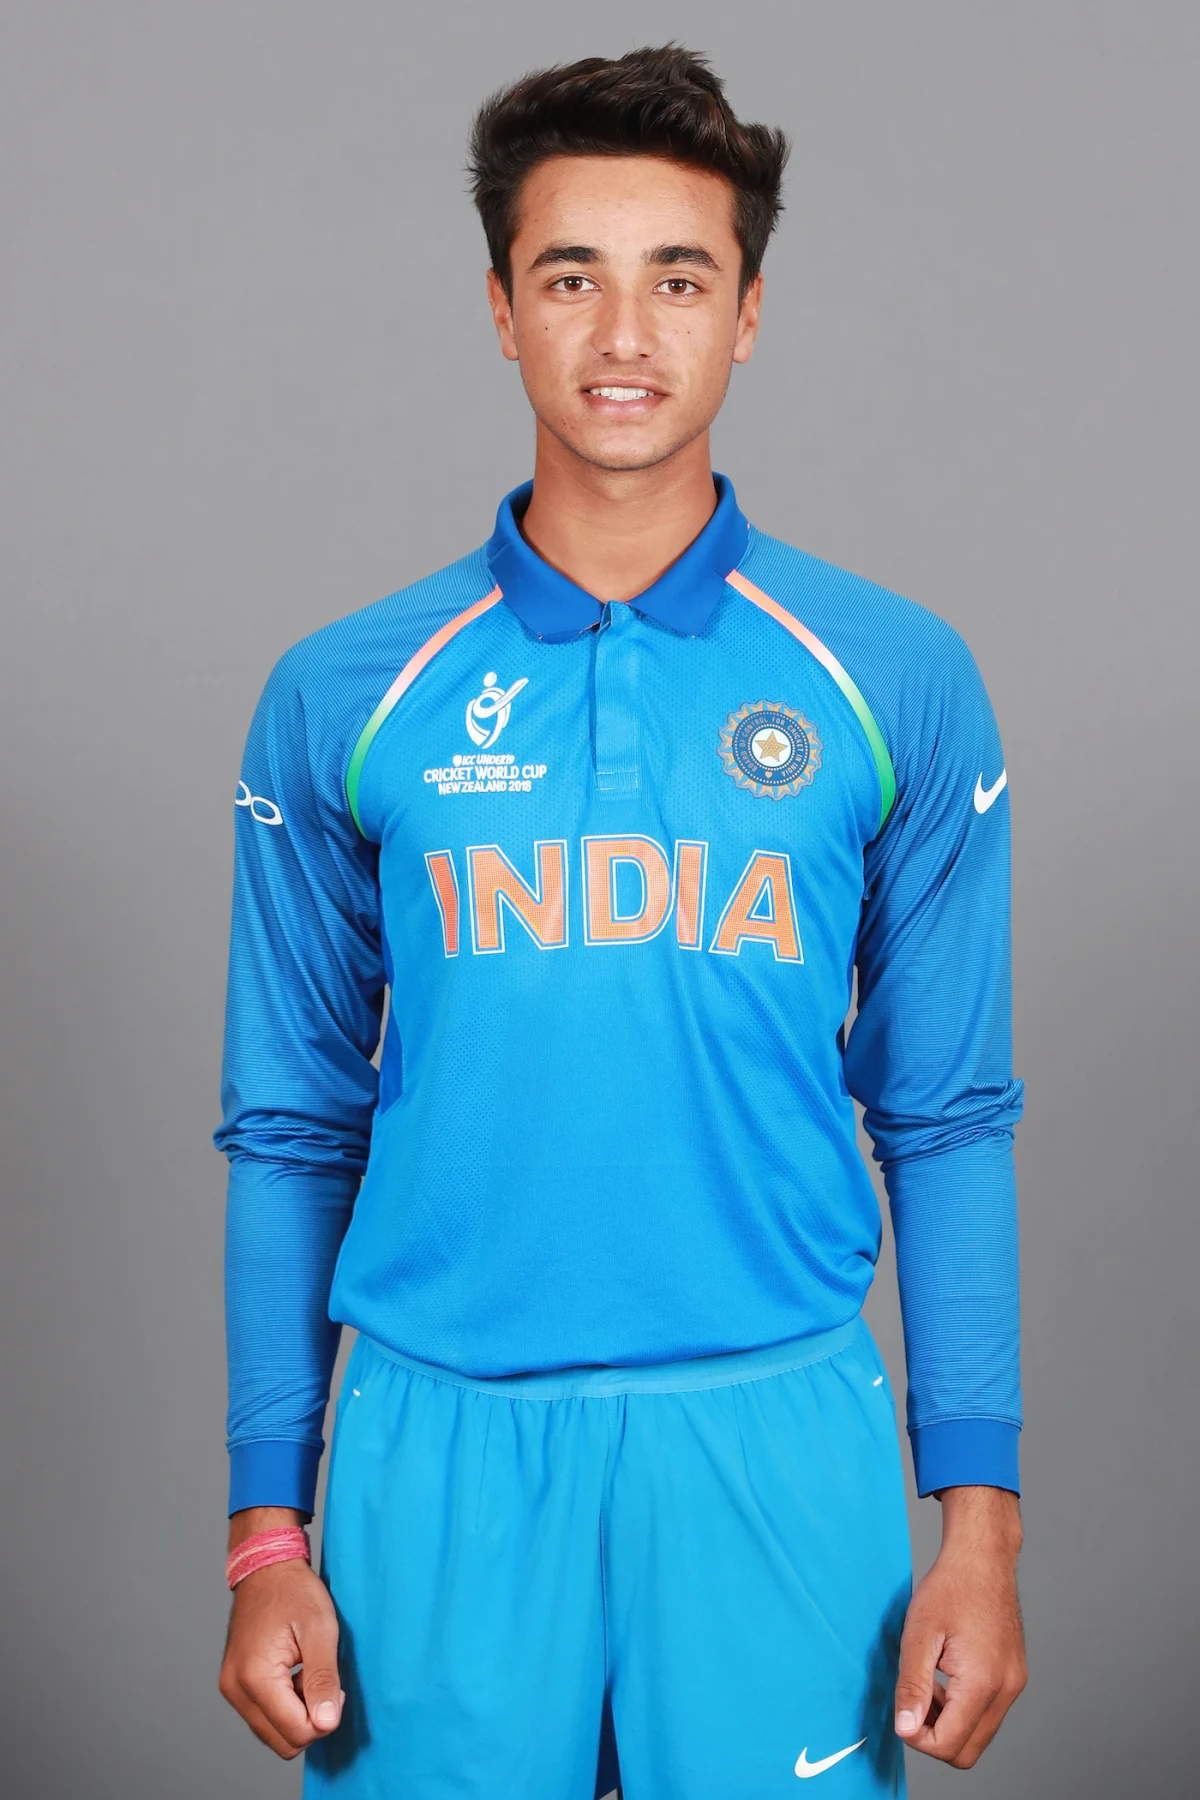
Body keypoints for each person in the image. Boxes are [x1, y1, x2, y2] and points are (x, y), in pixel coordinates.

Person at [215, 44, 1027, 1799]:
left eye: (681, 277)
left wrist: (983, 1526)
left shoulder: (893, 678)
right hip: (436, 1443)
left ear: (750, 313)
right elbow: (289, 1125)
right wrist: (266, 1534)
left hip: (774, 1442)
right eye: (571, 276)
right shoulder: (346, 693)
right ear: (502, 310)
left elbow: (949, 1114)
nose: (626, 332)